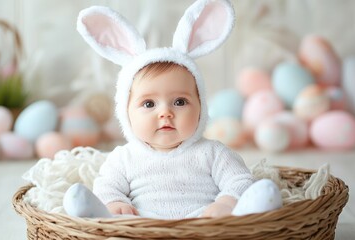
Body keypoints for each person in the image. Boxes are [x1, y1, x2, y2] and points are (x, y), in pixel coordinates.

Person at [72, 0, 279, 219]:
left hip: (203, 223)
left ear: (201, 108)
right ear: (126, 112)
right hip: (142, 225)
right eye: (149, 104)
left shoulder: (212, 153)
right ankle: (89, 212)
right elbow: (107, 187)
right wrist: (115, 203)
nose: (165, 113)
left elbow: (239, 180)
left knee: (257, 194)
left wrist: (227, 202)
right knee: (107, 212)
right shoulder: (124, 157)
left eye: (180, 102)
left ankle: (255, 208)